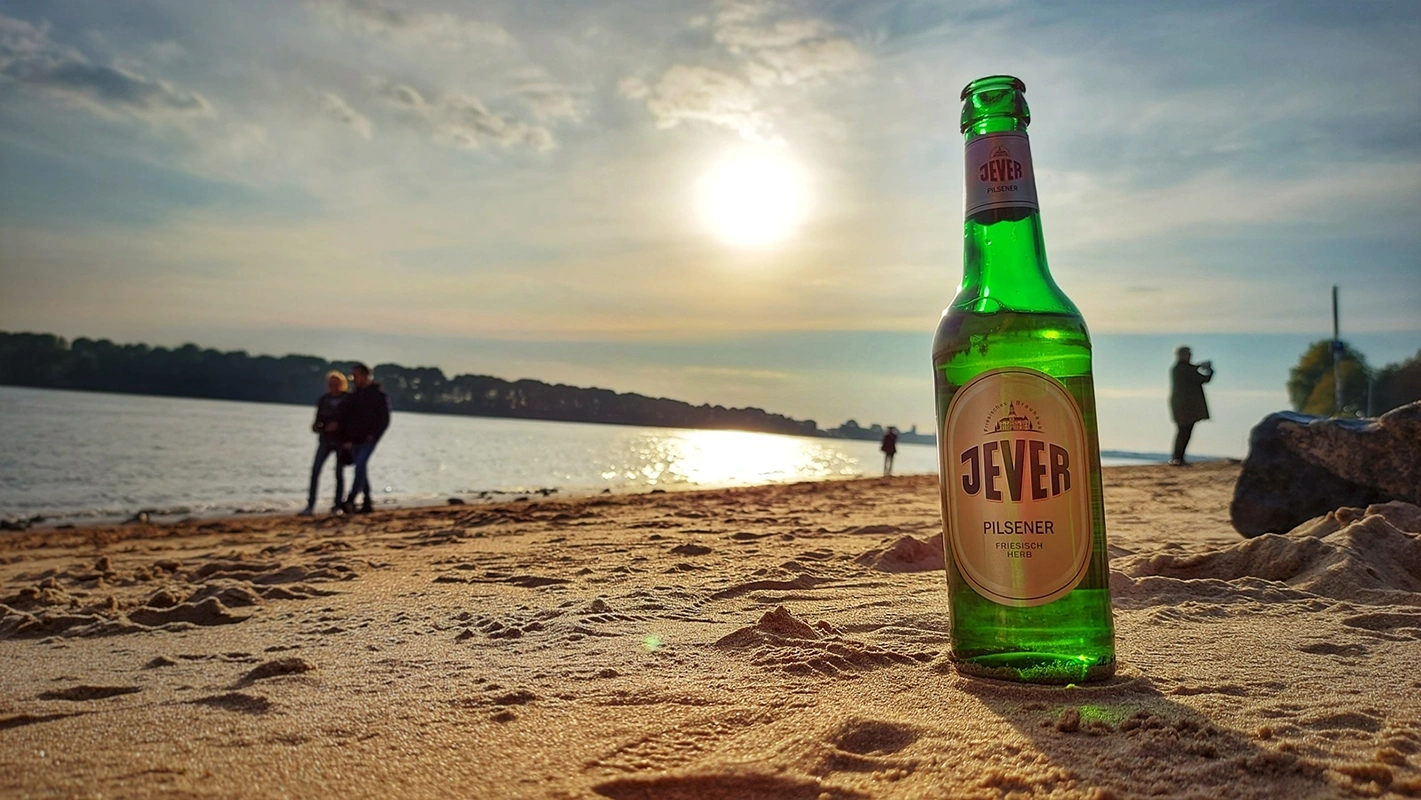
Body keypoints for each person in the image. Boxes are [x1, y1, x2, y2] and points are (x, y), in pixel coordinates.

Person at [342, 363, 391, 513]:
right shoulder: (353, 396)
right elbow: (347, 418)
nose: (353, 379)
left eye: (356, 375)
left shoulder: (378, 395)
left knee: (360, 465)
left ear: (365, 375)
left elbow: (385, 418)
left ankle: (351, 498)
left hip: (369, 439)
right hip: (355, 438)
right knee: (361, 469)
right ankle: (367, 502)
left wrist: (375, 435)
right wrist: (347, 438)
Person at [300, 371, 351, 516]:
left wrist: (339, 427)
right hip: (325, 440)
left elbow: (352, 421)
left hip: (341, 441)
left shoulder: (348, 400)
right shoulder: (323, 400)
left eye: (336, 384)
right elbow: (317, 420)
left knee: (339, 474)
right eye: (330, 384)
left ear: (342, 385)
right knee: (315, 471)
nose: (333, 387)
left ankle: (337, 506)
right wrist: (318, 427)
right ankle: (310, 505)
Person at [1169, 346, 1213, 465]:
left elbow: (1196, 374)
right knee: (1183, 432)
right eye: (1187, 354)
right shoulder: (1181, 369)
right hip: (1184, 407)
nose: (1189, 356)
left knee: (1184, 432)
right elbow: (1202, 378)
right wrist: (1208, 369)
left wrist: (1202, 367)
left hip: (1185, 407)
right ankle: (1177, 458)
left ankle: (1178, 457)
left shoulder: (1181, 369)